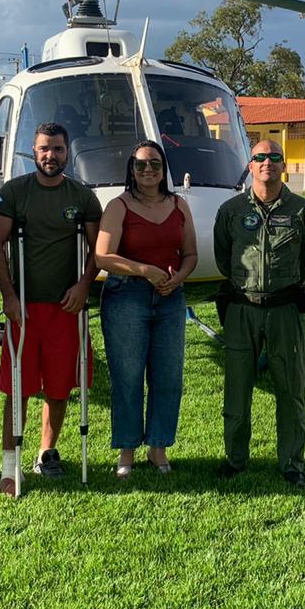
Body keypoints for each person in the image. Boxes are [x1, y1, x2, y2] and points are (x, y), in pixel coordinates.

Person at [0, 121, 102, 495]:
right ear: (32, 152)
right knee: (17, 388)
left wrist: (85, 285)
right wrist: (8, 294)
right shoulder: (14, 193)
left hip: (66, 308)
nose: (50, 156)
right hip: (24, 308)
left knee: (59, 385)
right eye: (43, 149)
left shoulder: (82, 197)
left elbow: (95, 251)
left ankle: (46, 452)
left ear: (68, 152)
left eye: (57, 149)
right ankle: (9, 466)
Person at [213, 139, 305, 487]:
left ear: (283, 164)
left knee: (290, 390)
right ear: (251, 165)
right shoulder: (230, 211)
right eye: (259, 157)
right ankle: (235, 459)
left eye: (274, 157)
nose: (267, 162)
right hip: (242, 310)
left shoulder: (302, 210)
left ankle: (291, 462)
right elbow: (222, 257)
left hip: (284, 311)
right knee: (237, 389)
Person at [94, 141, 199, 477]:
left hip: (170, 298)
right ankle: (127, 450)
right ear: (132, 170)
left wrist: (178, 278)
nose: (148, 170)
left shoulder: (179, 205)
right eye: (140, 165)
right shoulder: (119, 206)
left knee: (168, 376)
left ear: (164, 168)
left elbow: (191, 253)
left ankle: (158, 447)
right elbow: (102, 256)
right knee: (127, 377)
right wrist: (143, 270)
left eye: (154, 163)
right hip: (127, 297)